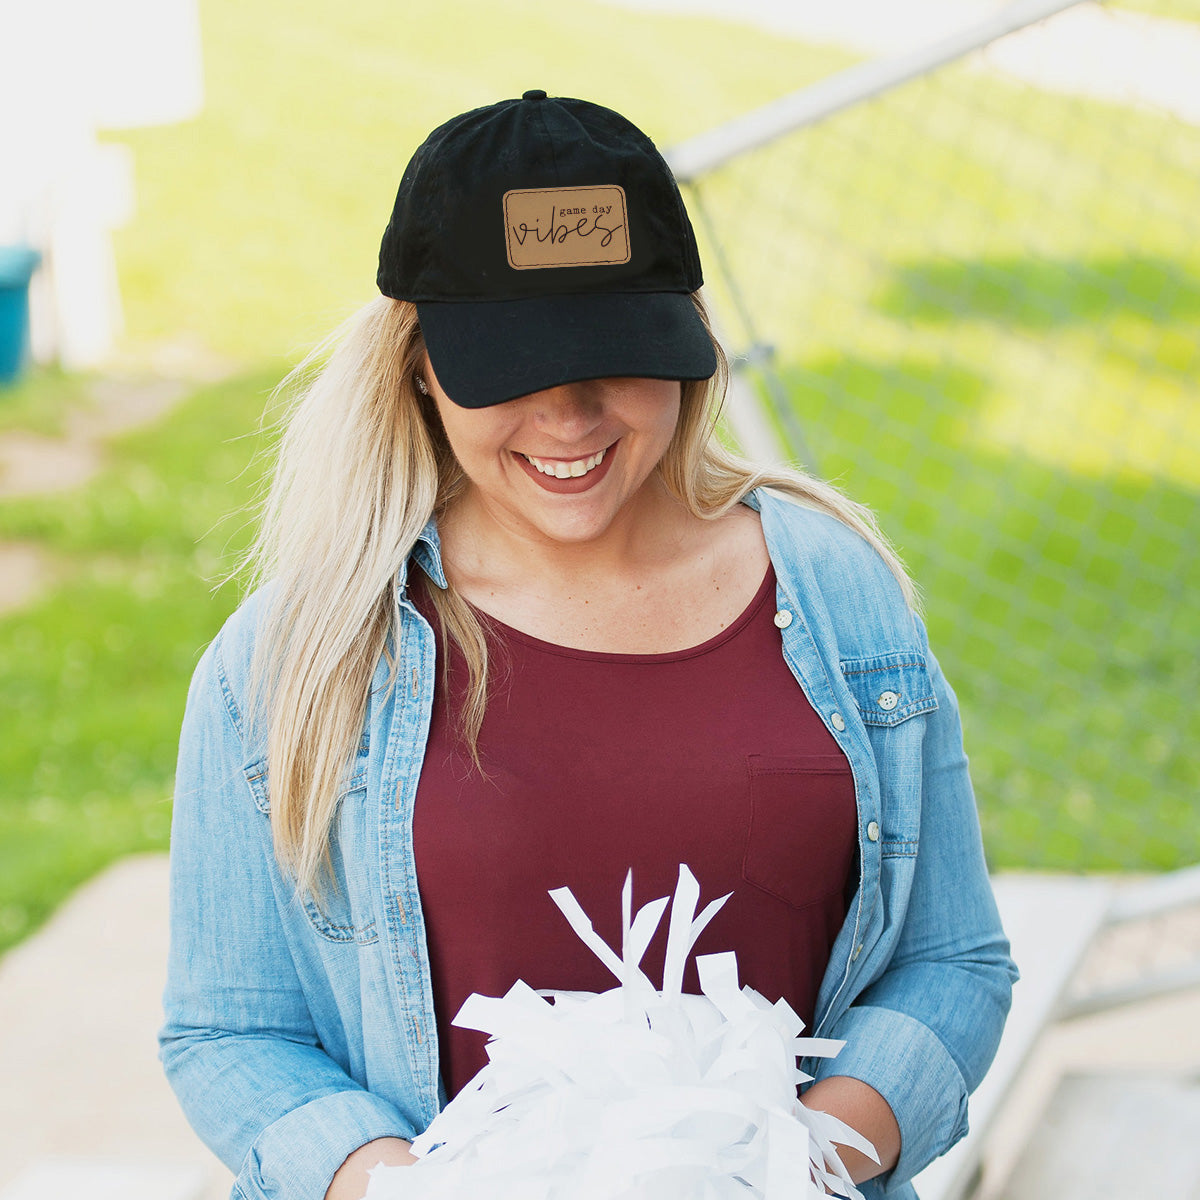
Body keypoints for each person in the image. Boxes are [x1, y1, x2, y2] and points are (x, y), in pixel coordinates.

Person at [161, 90, 1017, 1200]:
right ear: (421, 364)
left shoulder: (837, 593)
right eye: (512, 369)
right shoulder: (297, 656)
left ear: (689, 344)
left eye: (613, 355)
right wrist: (408, 1187)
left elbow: (953, 963)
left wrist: (792, 1165)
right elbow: (230, 1033)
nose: (568, 419)